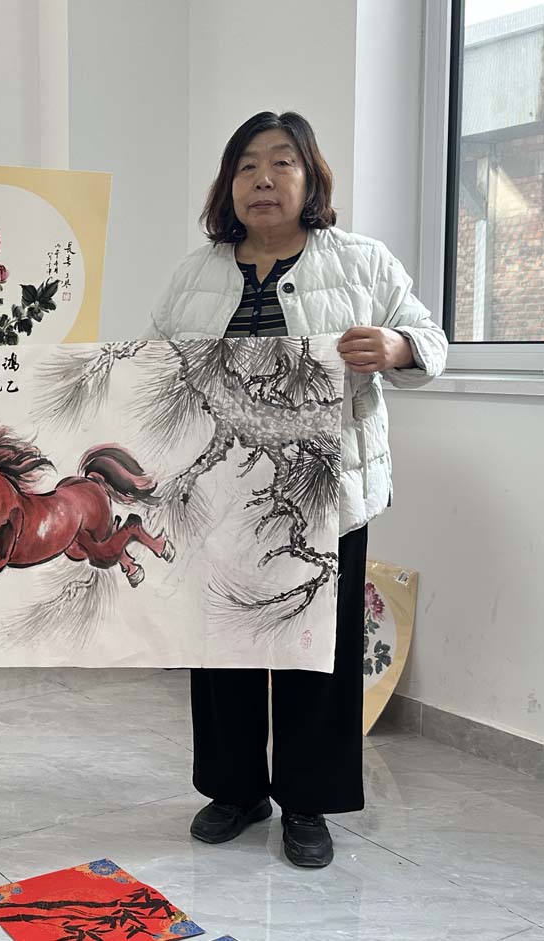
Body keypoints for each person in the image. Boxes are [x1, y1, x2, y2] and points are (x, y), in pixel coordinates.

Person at [145, 111, 447, 868]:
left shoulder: (362, 263)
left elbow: (430, 341)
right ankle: (234, 789)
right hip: (222, 490)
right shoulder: (195, 273)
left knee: (319, 654)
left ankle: (308, 801)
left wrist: (397, 346)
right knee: (223, 645)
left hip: (326, 492)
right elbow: (154, 368)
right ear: (228, 185)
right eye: (246, 165)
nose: (263, 179)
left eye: (282, 162)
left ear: (311, 178)